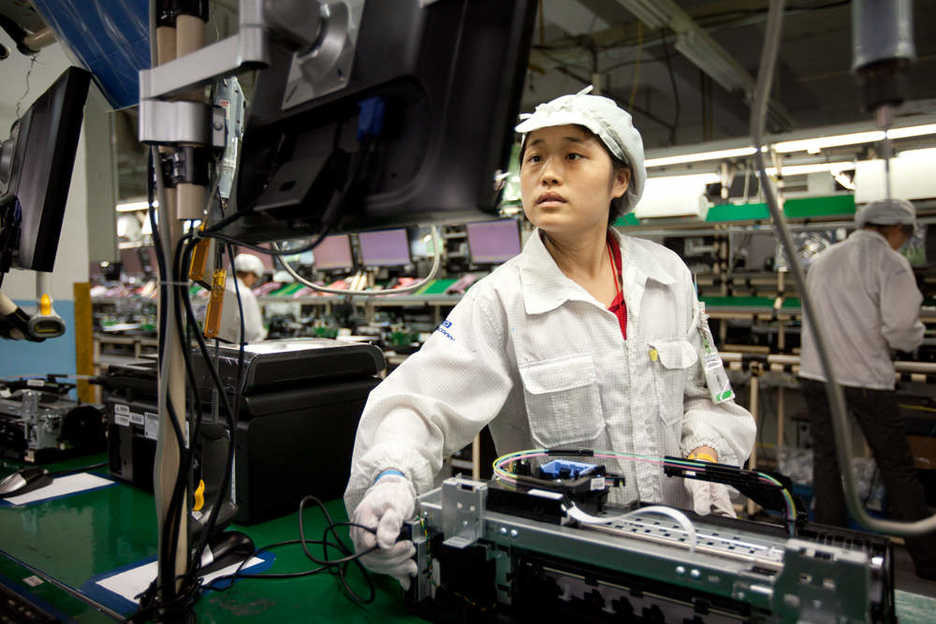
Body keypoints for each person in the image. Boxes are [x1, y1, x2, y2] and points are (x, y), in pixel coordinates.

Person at [345, 87, 756, 589]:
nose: (548, 172)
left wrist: (707, 458)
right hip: (556, 567)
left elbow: (704, 394)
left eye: (573, 155)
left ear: (620, 179)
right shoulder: (500, 299)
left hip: (676, 546)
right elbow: (421, 404)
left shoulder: (668, 276)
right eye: (534, 156)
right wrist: (391, 477)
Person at [799, 198, 936, 579]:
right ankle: (927, 559)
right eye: (905, 235)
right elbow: (902, 331)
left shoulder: (825, 259)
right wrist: (916, 335)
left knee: (827, 465)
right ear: (896, 230)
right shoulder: (891, 264)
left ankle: (831, 553)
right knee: (896, 467)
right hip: (866, 382)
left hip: (817, 376)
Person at [233, 253, 267, 343]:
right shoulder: (245, 293)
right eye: (255, 277)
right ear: (250, 273)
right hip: (240, 347)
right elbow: (253, 329)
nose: (254, 281)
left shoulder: (221, 288)